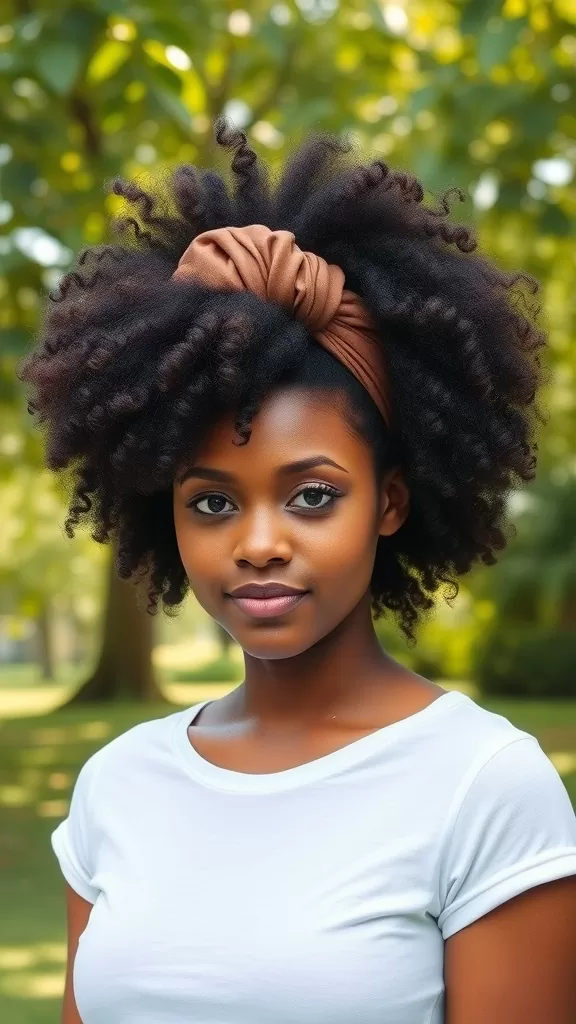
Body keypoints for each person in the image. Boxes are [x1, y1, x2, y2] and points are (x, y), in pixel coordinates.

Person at [18, 122, 576, 1024]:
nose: (259, 543)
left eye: (312, 496)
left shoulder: (483, 785)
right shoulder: (116, 787)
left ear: (389, 503)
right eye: (211, 502)